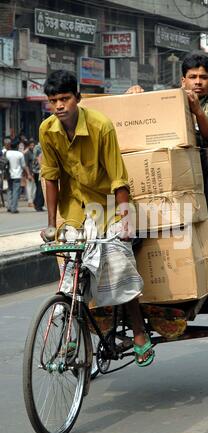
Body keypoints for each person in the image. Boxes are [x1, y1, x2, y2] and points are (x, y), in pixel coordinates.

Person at [39, 70, 154, 367]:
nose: (59, 105)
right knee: (70, 272)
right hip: (74, 205)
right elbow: (50, 177)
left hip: (107, 203)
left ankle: (139, 332)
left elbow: (119, 178)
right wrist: (52, 225)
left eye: (65, 98)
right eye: (54, 101)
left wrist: (125, 220)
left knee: (118, 261)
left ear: (77, 98)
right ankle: (72, 333)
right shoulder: (47, 130)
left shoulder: (100, 126)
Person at [127, 52, 208, 223]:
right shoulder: (166, 99)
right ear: (183, 81)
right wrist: (135, 95)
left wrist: (198, 112)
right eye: (192, 77)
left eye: (203, 77)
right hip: (172, 159)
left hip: (202, 164)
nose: (198, 82)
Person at [5, 140, 28, 213]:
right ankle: (14, 208)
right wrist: (28, 174)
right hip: (17, 175)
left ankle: (9, 206)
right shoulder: (20, 154)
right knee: (15, 192)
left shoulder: (7, 153)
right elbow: (23, 165)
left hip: (8, 174)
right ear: (17, 146)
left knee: (10, 190)